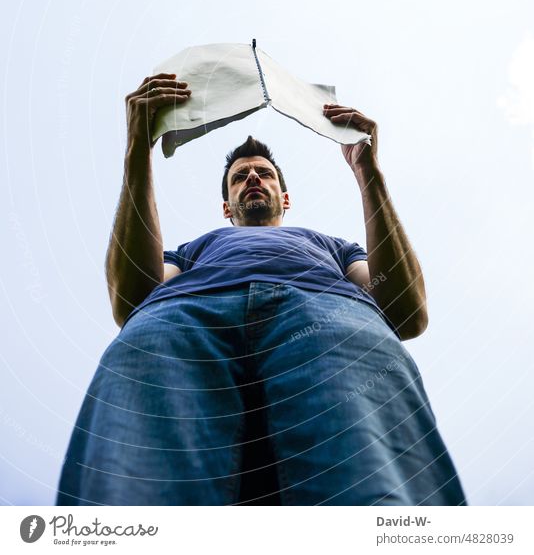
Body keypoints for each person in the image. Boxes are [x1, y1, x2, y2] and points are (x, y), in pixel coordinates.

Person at [56, 73, 467, 506]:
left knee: (370, 487)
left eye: (264, 174)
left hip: (329, 315)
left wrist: (368, 170)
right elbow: (132, 300)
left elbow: (406, 312)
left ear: (285, 199)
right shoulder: (191, 251)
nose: (252, 177)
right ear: (226, 206)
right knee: (134, 487)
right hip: (185, 314)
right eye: (239, 177)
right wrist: (137, 150)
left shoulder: (335, 247)